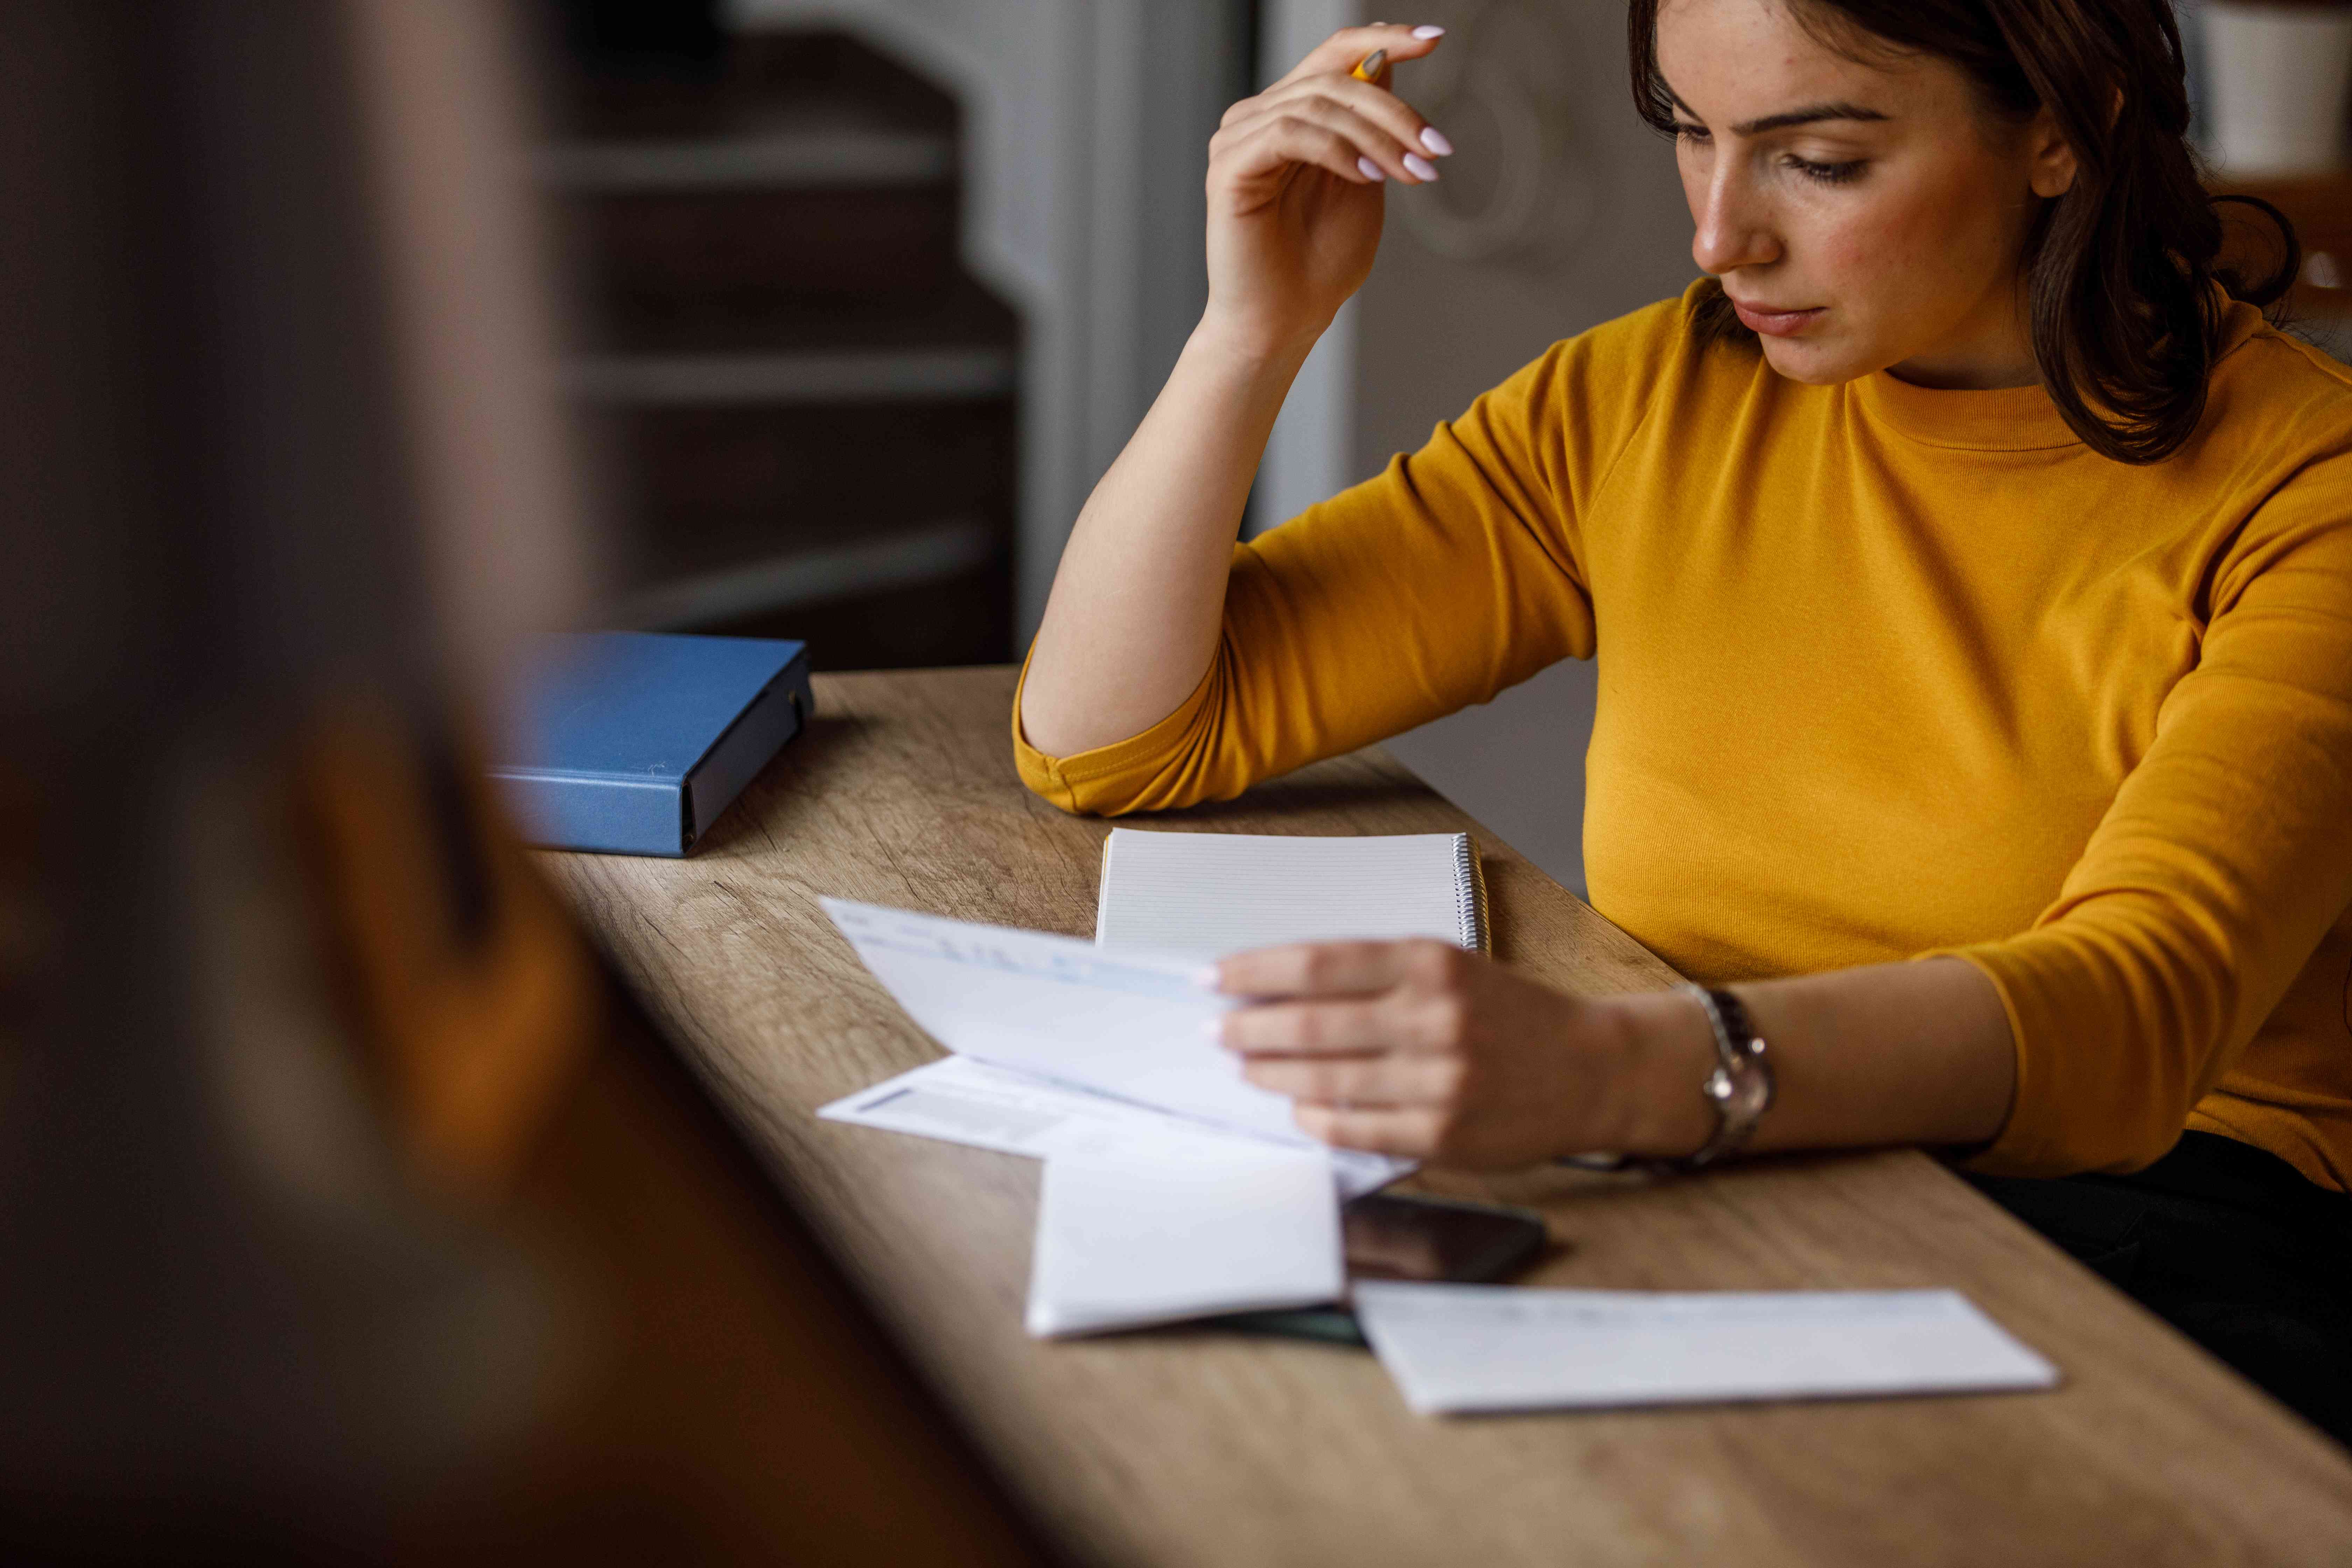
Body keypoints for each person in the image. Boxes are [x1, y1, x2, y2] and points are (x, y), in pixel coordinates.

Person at [1012, 1, 2352, 1439]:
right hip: (1712, 1167)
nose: (1722, 238)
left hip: (2149, 1249)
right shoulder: (1642, 403)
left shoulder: (2305, 488)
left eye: (1819, 162)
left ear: (2060, 132)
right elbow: (1119, 738)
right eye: (1689, 135)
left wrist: (1599, 1072)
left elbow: (2131, 1019)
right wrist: (1251, 329)